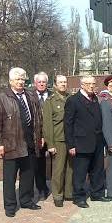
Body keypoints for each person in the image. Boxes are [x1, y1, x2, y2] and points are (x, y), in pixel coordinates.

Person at [0, 67, 42, 217]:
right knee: (10, 178)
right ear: (10, 81)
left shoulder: (31, 95)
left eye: (22, 79)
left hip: (29, 143)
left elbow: (38, 118)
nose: (20, 82)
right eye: (17, 79)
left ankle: (26, 200)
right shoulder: (1, 98)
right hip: (11, 144)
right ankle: (10, 206)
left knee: (28, 174)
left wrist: (40, 136)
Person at [64, 75, 108, 208]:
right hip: (81, 143)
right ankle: (78, 197)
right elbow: (68, 124)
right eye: (88, 84)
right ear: (82, 85)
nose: (91, 86)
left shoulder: (95, 99)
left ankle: (97, 193)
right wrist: (70, 144)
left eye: (93, 84)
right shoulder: (73, 100)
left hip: (97, 142)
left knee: (97, 169)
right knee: (80, 172)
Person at [42, 75, 72, 207]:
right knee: (58, 170)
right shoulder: (50, 101)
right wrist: (51, 144)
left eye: (65, 82)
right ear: (55, 84)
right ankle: (58, 195)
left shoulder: (71, 98)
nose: (63, 84)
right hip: (58, 140)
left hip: (70, 139)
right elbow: (47, 124)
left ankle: (69, 192)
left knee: (71, 168)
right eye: (60, 82)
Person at [31, 71, 51, 200]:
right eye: (39, 82)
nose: (42, 84)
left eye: (44, 82)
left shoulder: (53, 95)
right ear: (35, 83)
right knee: (39, 163)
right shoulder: (30, 96)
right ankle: (41, 188)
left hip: (52, 134)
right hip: (37, 135)